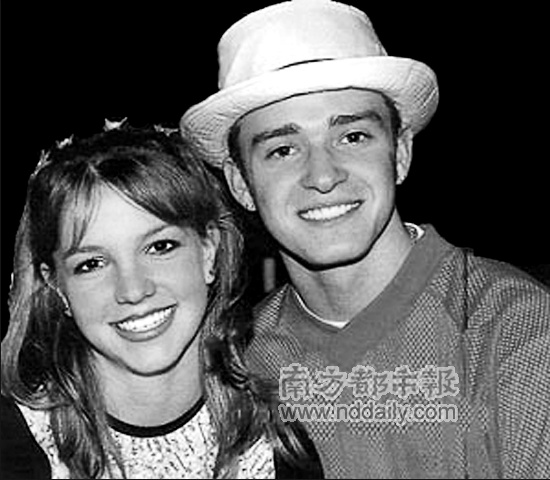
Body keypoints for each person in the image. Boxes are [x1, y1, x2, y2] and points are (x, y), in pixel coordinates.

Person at [180, 0, 550, 478]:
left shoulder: (514, 329)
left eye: (352, 137)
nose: (323, 175)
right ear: (240, 183)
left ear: (400, 153)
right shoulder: (240, 360)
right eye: (283, 149)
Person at [0, 122, 321, 479]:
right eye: (91, 264)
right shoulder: (15, 442)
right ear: (57, 286)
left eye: (159, 247)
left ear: (208, 251)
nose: (133, 290)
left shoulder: (288, 429)